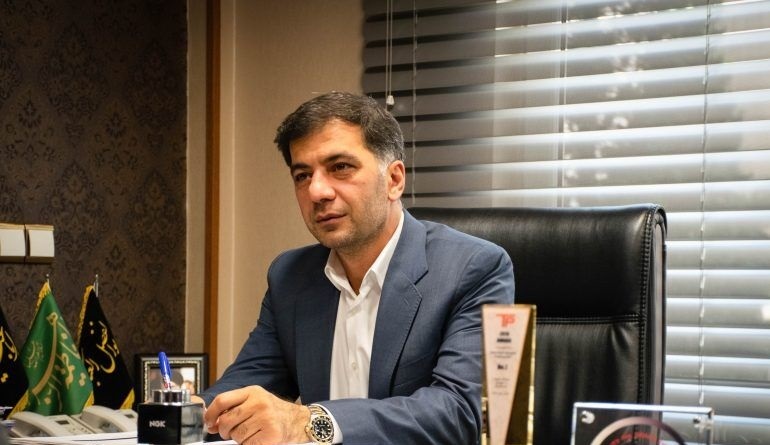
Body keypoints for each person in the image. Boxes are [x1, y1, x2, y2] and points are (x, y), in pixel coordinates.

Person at [194, 92, 515, 444]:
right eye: (302, 175)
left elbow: (461, 412)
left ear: (394, 180)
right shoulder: (291, 276)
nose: (317, 191)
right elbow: (244, 385)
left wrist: (310, 422)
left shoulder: (472, 268)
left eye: (340, 167)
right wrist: (186, 414)